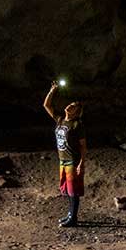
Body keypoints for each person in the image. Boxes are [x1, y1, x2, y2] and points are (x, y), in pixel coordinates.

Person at [43, 81, 86, 227]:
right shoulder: (60, 120)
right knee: (67, 190)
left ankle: (73, 218)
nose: (70, 106)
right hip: (63, 160)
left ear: (76, 111)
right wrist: (52, 90)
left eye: (74, 106)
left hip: (72, 161)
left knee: (73, 190)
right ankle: (70, 214)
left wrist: (82, 163)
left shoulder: (77, 125)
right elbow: (47, 106)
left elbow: (83, 146)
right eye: (70, 104)